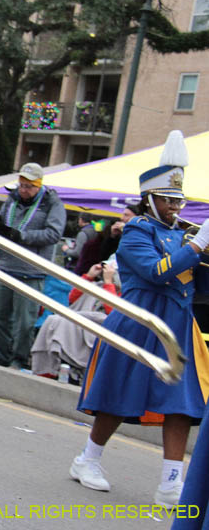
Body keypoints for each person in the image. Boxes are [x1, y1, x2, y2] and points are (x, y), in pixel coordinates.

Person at [72, 130, 209, 510]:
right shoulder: (136, 232)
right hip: (140, 323)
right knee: (118, 399)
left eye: (178, 200)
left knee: (181, 405)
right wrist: (197, 246)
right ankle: (88, 458)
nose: (175, 207)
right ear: (149, 199)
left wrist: (203, 253)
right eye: (168, 199)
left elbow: (199, 284)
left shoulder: (183, 235)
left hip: (178, 327)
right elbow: (157, 272)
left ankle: (170, 483)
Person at [0, 161, 66, 369]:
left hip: (31, 271)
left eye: (29, 186)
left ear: (39, 185)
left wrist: (23, 236)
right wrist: (0, 230)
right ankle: (0, 355)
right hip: (6, 266)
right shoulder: (11, 199)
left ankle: (19, 359)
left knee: (25, 321)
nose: (24, 189)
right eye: (22, 184)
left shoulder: (52, 203)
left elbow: (54, 233)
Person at [31, 260, 118, 380]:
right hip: (80, 323)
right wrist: (89, 276)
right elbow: (72, 299)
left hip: (102, 328)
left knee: (60, 322)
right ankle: (49, 370)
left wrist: (109, 283)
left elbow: (114, 313)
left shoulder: (129, 293)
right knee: (54, 321)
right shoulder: (98, 286)